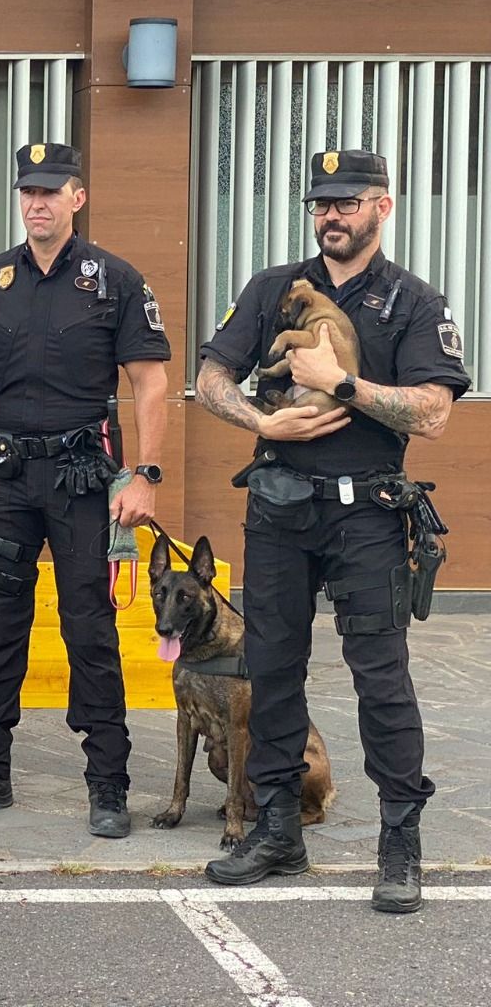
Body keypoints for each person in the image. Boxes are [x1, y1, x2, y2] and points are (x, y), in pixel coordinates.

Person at [195, 148, 468, 912]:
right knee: (272, 667)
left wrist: (339, 383)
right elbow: (212, 376)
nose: (331, 216)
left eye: (347, 202)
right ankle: (278, 830)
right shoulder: (274, 289)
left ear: (383, 206)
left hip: (369, 516)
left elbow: (436, 414)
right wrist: (262, 416)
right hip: (280, 507)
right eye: (321, 203)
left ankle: (400, 841)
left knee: (380, 676)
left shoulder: (413, 301)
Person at [0, 142, 171, 838]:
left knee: (89, 627)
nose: (38, 203)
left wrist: (146, 474)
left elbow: (150, 381)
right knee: (0, 621)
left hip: (84, 478)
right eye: (28, 192)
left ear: (78, 197)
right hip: (3, 475)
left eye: (52, 190)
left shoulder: (117, 281)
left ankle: (108, 785)